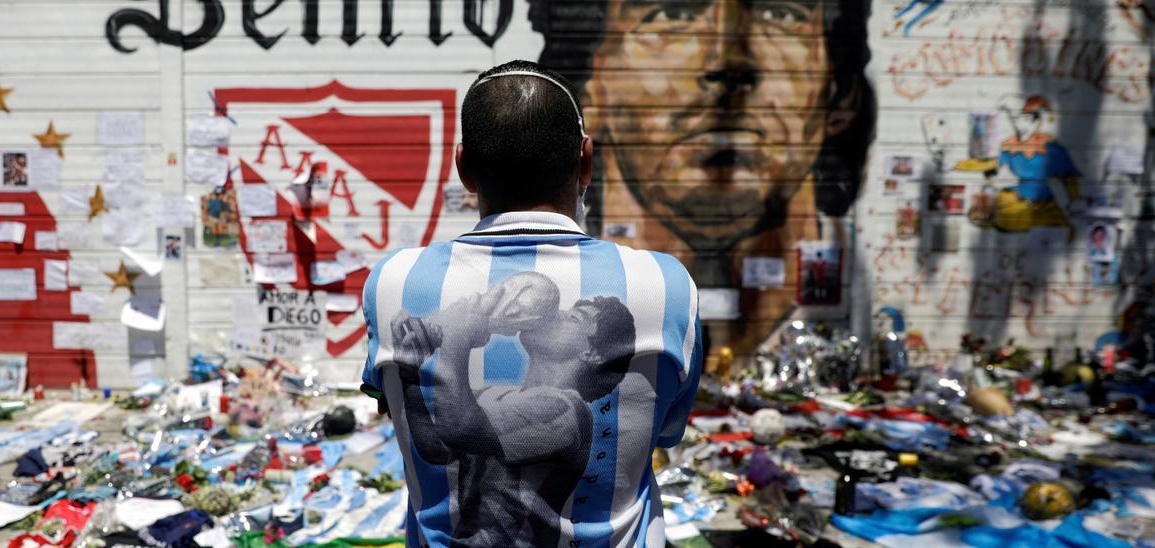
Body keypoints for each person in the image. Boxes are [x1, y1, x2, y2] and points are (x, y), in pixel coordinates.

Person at [361, 61, 702, 547]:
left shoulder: (395, 281)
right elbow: (436, 447)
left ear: (464, 168)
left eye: (576, 317)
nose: (561, 309)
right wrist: (418, 377)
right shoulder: (665, 284)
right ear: (586, 162)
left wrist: (456, 340)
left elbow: (459, 427)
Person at [529, 0, 874, 357]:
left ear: (840, 90)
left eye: (781, 13)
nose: (728, 62)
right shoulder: (546, 293)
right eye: (673, 14)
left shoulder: (861, 287)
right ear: (589, 88)